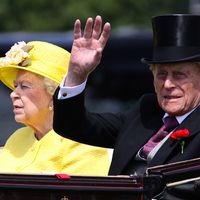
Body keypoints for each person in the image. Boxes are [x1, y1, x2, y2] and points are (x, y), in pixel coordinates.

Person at [53, 13, 200, 179]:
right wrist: (76, 74)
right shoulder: (146, 111)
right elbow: (73, 126)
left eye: (179, 75)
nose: (167, 84)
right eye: (161, 74)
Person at [0, 41, 111, 175]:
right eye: (15, 86)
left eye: (24, 86)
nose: (13, 94)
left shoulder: (83, 143)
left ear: (54, 97)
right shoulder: (18, 137)